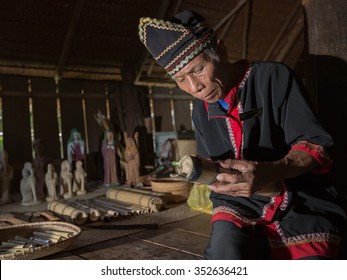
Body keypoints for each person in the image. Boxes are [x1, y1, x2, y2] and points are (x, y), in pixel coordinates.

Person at [138, 10, 346, 260]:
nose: (195, 87)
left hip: (299, 199)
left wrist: (270, 172)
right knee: (224, 257)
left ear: (221, 50)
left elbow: (315, 147)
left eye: (199, 69)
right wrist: (204, 171)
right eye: (181, 79)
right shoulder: (200, 112)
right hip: (239, 204)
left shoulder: (274, 78)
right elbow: (215, 170)